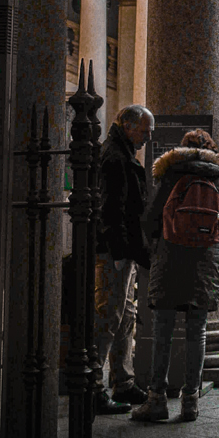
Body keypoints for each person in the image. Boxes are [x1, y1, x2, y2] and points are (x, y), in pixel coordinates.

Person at [131, 127, 219, 424]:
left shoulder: (170, 176)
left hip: (170, 258)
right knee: (197, 332)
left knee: (163, 331)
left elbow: (151, 220)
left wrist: (163, 243)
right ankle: (190, 401)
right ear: (211, 148)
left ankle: (157, 400)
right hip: (204, 262)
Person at [94, 103, 154, 413]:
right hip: (114, 250)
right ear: (128, 126)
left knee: (126, 314)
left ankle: (123, 381)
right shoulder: (114, 157)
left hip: (126, 249)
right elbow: (111, 209)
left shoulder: (123, 153)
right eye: (144, 130)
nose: (148, 136)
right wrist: (118, 252)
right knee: (109, 315)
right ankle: (92, 387)